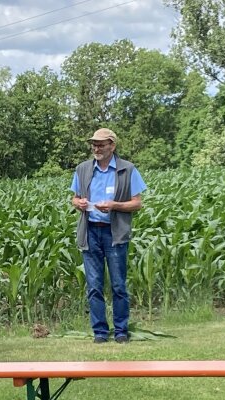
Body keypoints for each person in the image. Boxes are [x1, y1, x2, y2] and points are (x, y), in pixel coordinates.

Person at [70, 128, 147, 344]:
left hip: (114, 233)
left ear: (112, 146)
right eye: (94, 144)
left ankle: (121, 331)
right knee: (94, 285)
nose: (96, 148)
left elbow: (137, 203)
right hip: (91, 231)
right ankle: (100, 332)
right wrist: (80, 203)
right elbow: (74, 199)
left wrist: (114, 205)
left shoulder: (128, 170)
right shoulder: (83, 169)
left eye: (101, 144)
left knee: (118, 285)